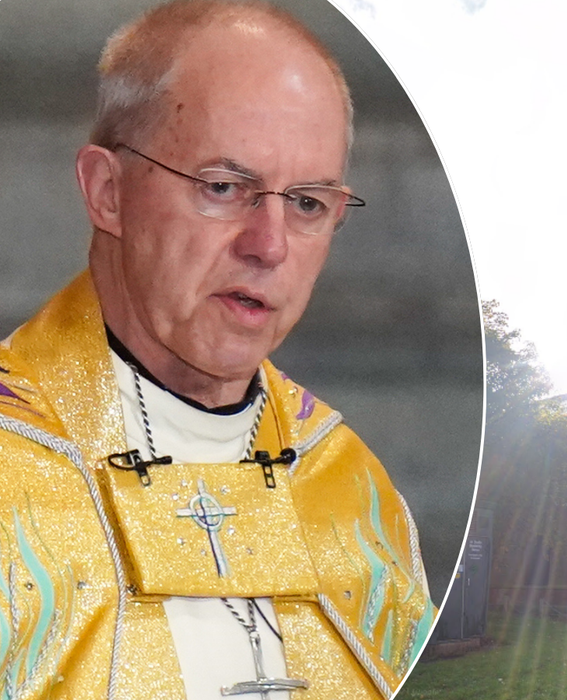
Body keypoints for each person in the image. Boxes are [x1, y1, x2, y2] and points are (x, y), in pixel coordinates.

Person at [0, 0, 433, 697]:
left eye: (308, 204)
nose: (268, 247)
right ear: (108, 193)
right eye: (225, 188)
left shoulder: (351, 487)